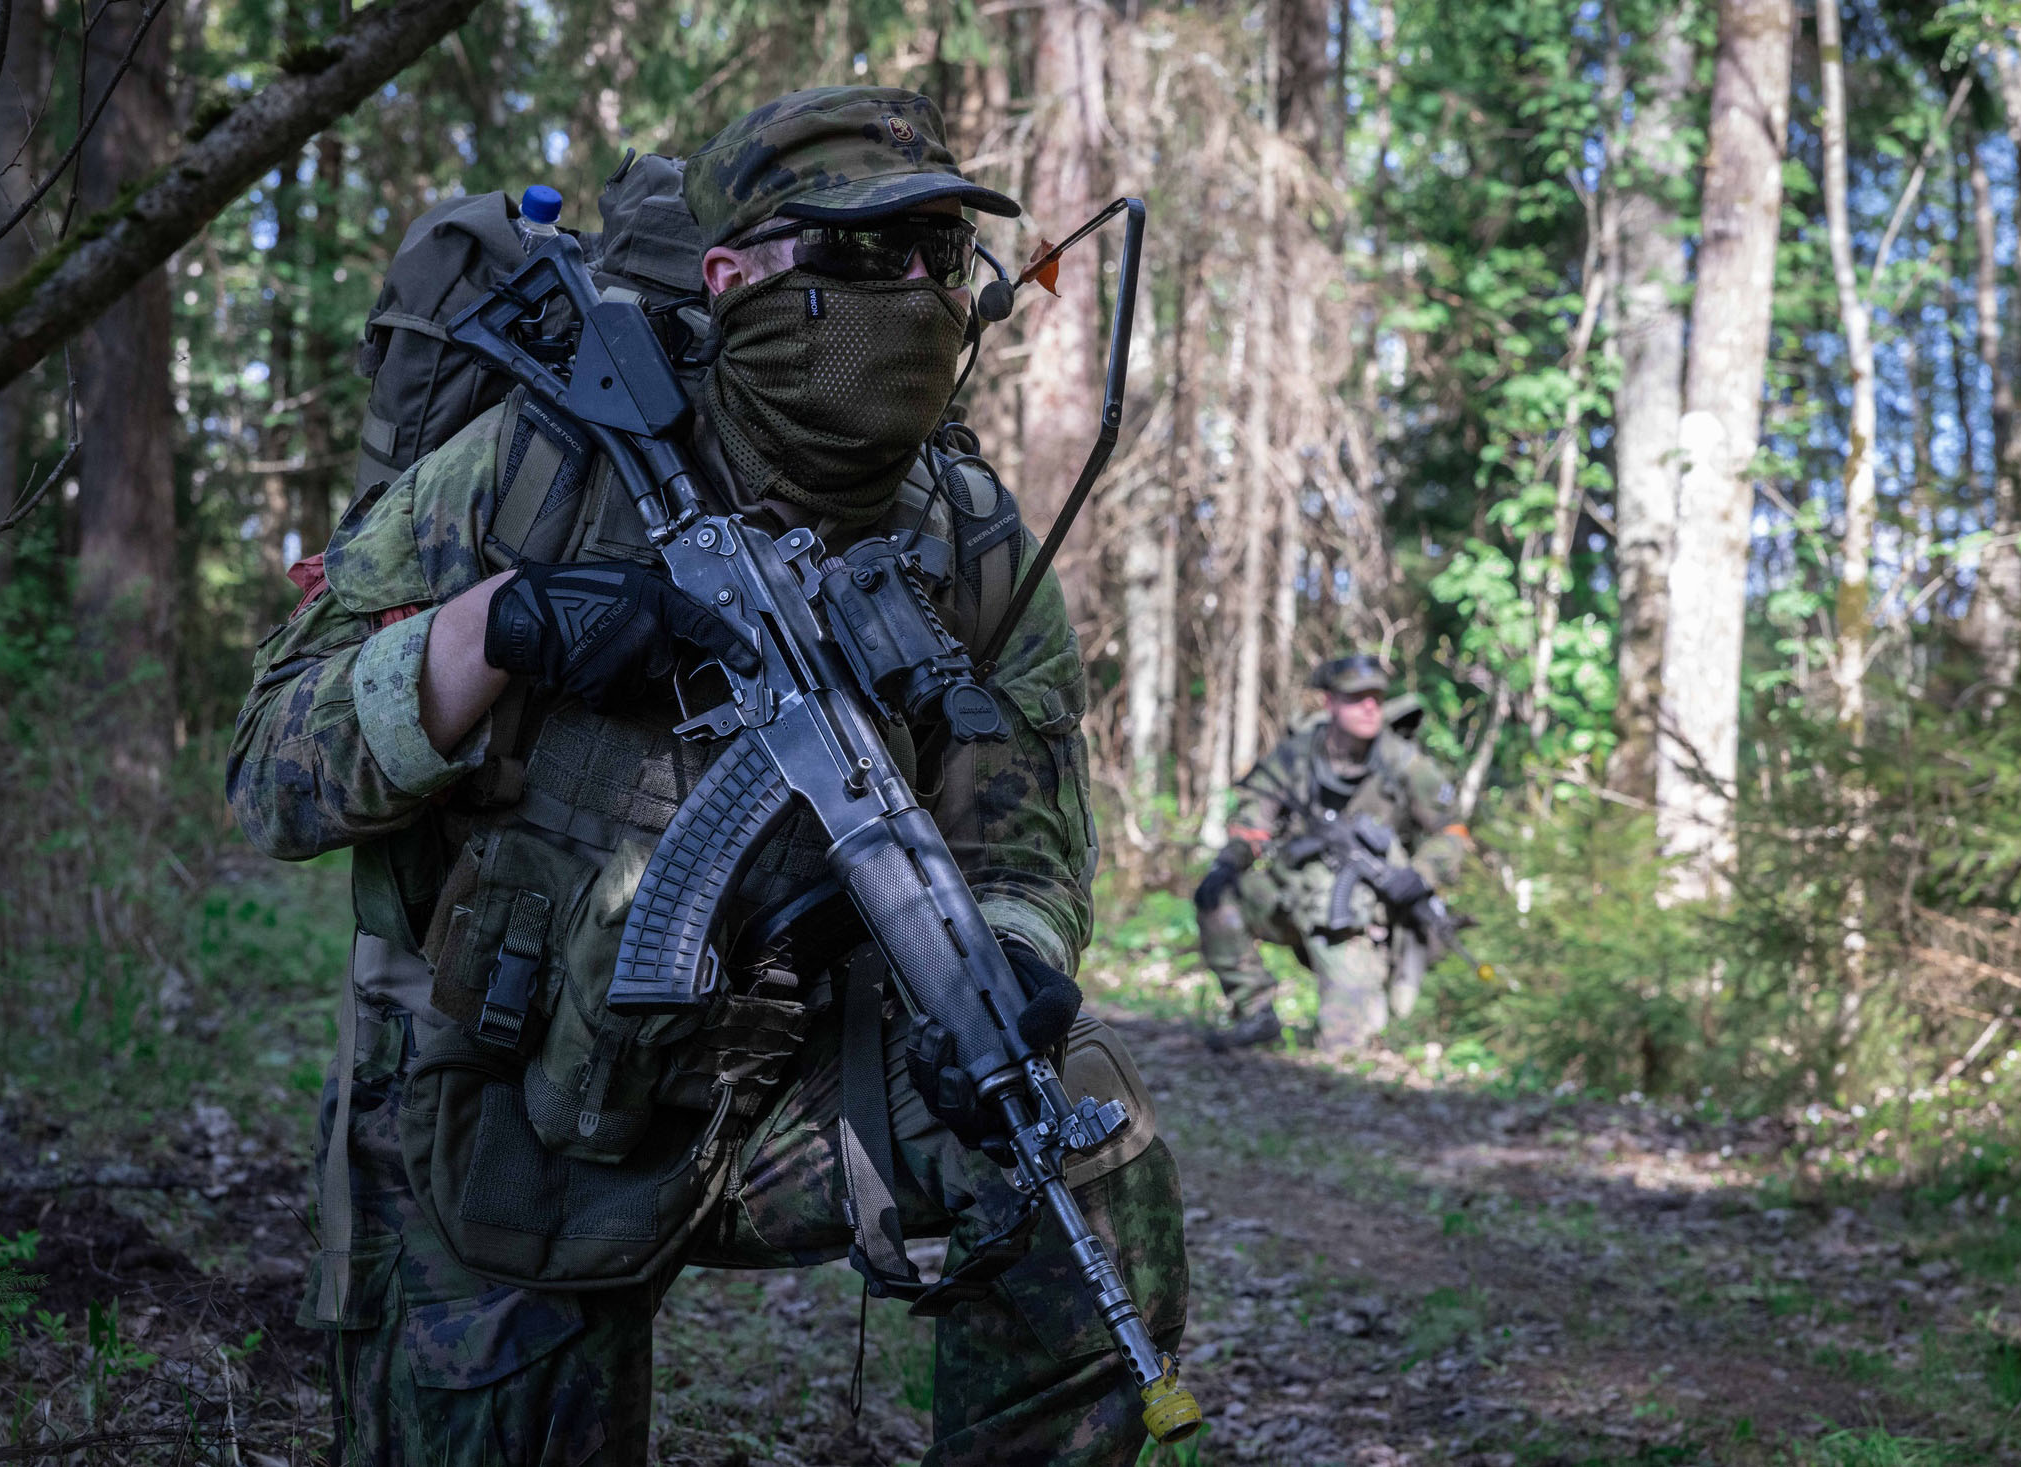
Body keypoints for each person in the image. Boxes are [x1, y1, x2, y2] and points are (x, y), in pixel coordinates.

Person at [227, 86, 1185, 1467]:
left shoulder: (964, 537)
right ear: (732, 276)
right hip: (495, 1084)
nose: (913, 294)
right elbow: (269, 771)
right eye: (861, 256)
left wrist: (1007, 968)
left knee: (1073, 1119)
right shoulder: (535, 468)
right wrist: (489, 626)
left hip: (792, 1084)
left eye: (939, 258)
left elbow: (1021, 852)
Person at [1193, 654, 1468, 1053]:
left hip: (1355, 921)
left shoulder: (1404, 763)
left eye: (1376, 696)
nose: (1370, 705)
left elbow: (1453, 831)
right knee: (1218, 894)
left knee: (1342, 1047)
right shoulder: (1297, 755)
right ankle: (1254, 1012)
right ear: (1330, 702)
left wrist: (1421, 873)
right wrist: (1230, 860)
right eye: (1357, 697)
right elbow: (1256, 815)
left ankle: (1368, 998)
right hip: (1293, 896)